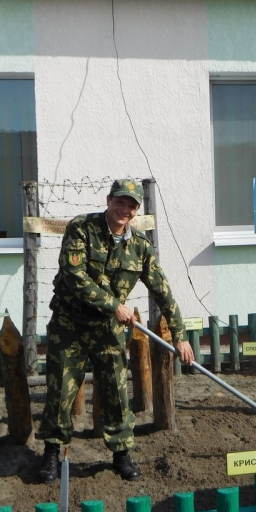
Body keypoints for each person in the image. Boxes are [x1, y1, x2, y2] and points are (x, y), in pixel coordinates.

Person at [36, 178, 194, 483]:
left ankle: (121, 454)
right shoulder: (82, 228)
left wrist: (180, 336)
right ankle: (51, 454)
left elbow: (163, 292)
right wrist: (114, 305)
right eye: (120, 202)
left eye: (131, 205)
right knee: (60, 390)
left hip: (107, 330)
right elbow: (75, 276)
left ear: (136, 211)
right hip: (69, 325)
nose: (124, 209)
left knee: (117, 393)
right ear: (109, 200)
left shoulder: (140, 247)